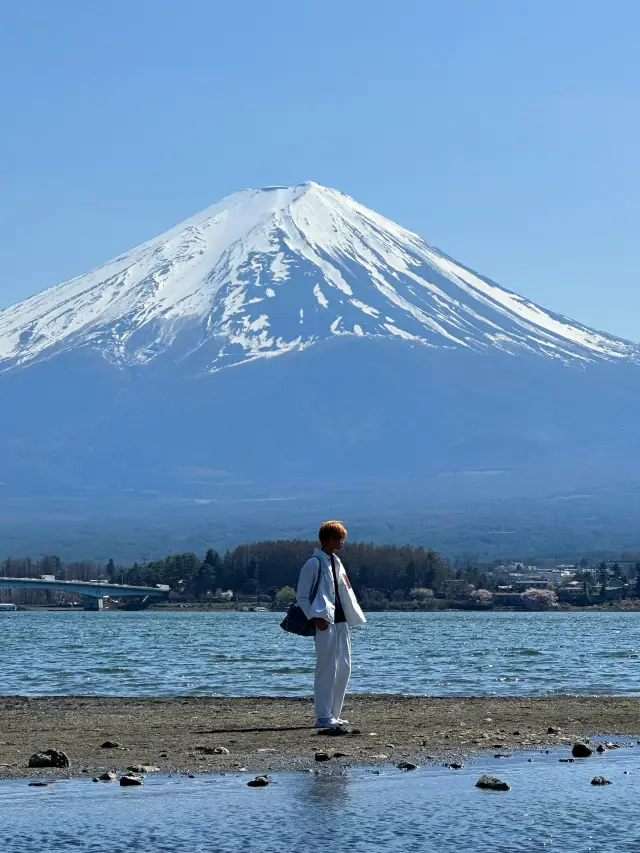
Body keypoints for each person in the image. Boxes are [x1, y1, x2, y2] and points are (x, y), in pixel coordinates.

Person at [297, 520, 366, 728]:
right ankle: (322, 716)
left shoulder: (336, 561)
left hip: (342, 621)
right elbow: (302, 596)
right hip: (324, 622)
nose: (342, 542)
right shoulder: (313, 563)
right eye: (339, 538)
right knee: (326, 667)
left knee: (344, 667)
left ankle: (334, 714)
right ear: (328, 539)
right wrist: (314, 617)